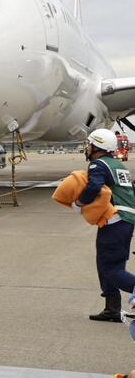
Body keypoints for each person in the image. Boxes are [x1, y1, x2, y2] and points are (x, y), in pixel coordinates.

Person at [74, 128, 135, 322]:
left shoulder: (97, 165)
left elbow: (93, 186)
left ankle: (117, 304)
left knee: (111, 270)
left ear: (96, 147)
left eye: (89, 144)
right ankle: (112, 309)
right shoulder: (118, 165)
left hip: (115, 221)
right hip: (125, 221)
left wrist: (80, 202)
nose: (87, 148)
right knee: (109, 265)